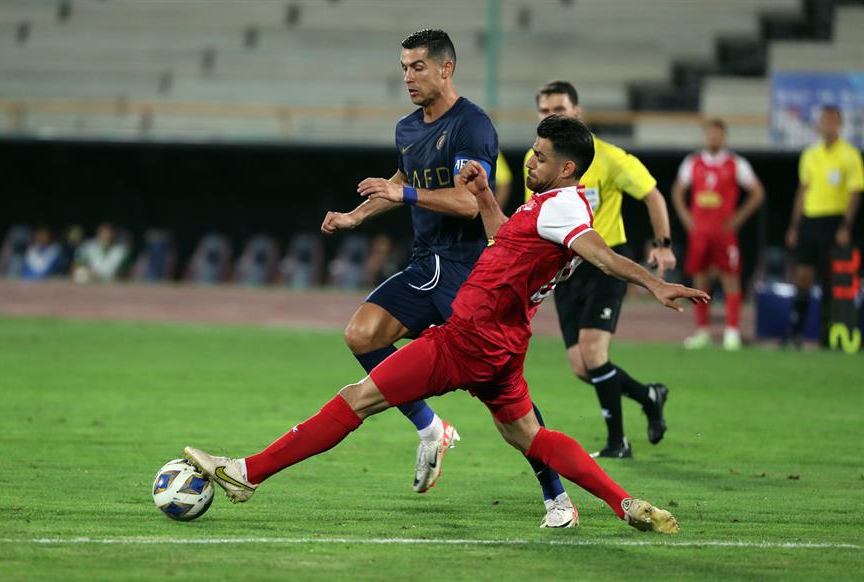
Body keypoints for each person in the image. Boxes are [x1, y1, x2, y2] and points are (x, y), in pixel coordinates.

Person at [186, 116, 709, 533]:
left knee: (359, 397)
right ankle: (624, 503)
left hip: (466, 341)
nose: (530, 160)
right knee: (529, 435)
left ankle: (247, 474)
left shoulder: (565, 208)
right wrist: (484, 197)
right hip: (503, 350)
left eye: (542, 157)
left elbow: (595, 252)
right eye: (533, 150)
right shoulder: (549, 206)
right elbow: (507, 239)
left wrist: (651, 282)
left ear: (568, 168)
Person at [320, 30, 577, 528]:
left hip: (467, 272)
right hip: (425, 264)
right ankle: (431, 426)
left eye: (417, 67)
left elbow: (469, 202)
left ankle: (556, 496)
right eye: (402, 68)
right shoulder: (408, 128)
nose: (408, 77)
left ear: (445, 68)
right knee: (362, 334)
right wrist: (356, 216)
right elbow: (402, 178)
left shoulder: (472, 126)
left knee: (509, 406)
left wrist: (405, 197)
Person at [523, 81, 677, 459]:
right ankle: (648, 395)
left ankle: (617, 443)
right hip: (566, 270)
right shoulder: (537, 161)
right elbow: (534, 219)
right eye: (544, 110)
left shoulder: (608, 158)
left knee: (593, 354)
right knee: (580, 365)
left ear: (577, 111)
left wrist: (663, 245)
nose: (551, 115)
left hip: (606, 263)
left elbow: (652, 195)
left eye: (558, 108)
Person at [672, 119, 766, 351]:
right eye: (710, 134)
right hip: (700, 233)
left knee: (730, 279)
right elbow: (677, 190)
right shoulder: (692, 162)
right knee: (701, 280)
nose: (714, 138)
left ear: (724, 137)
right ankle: (702, 331)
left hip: (724, 233)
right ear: (705, 136)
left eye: (718, 134)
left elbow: (757, 192)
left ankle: (732, 332)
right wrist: (686, 218)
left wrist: (739, 218)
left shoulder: (736, 163)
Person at [784, 105, 863, 347]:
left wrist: (846, 226)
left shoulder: (850, 155)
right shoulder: (810, 154)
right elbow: (803, 189)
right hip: (810, 220)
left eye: (832, 121)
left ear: (839, 125)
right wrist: (795, 225)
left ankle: (831, 336)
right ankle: (795, 333)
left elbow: (855, 193)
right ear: (819, 124)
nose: (828, 125)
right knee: (803, 276)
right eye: (824, 121)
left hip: (834, 221)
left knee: (835, 279)